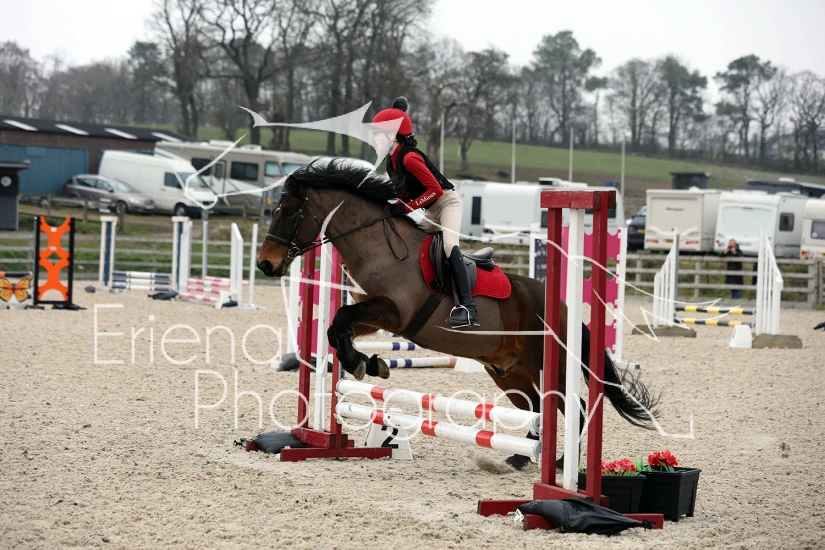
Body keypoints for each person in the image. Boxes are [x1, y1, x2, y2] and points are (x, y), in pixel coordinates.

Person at [372, 97, 479, 328]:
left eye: (377, 134)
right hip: (430, 209)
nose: (374, 138)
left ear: (392, 136)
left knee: (449, 246)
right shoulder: (391, 163)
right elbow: (405, 195)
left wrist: (407, 207)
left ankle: (468, 308)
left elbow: (436, 190)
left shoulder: (410, 158)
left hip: (447, 203)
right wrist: (391, 207)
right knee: (410, 243)